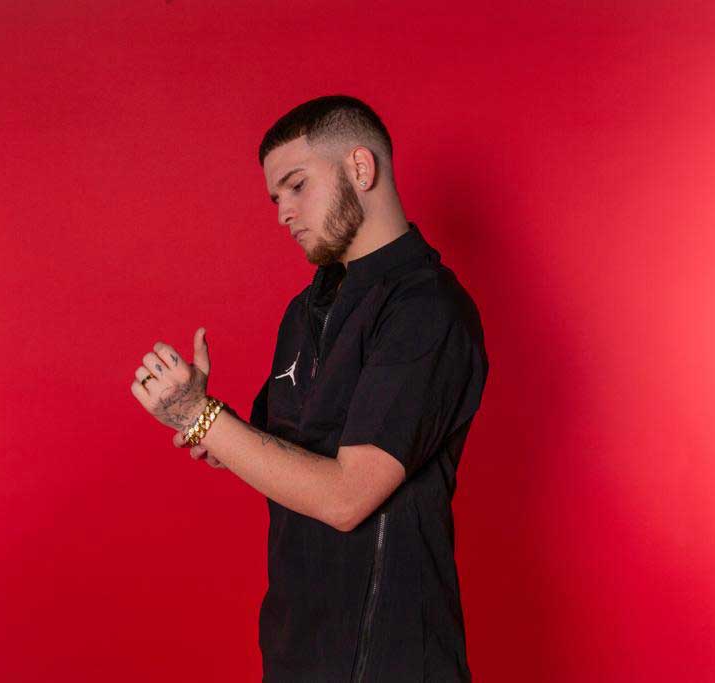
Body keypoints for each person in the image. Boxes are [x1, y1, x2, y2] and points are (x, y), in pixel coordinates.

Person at [130, 94, 488, 682]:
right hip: (296, 650)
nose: (283, 214)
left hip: (390, 662)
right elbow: (279, 451)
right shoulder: (305, 311)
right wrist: (212, 432)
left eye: (297, 186)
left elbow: (346, 498)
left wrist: (203, 418)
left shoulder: (426, 308)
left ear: (360, 168)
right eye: (276, 198)